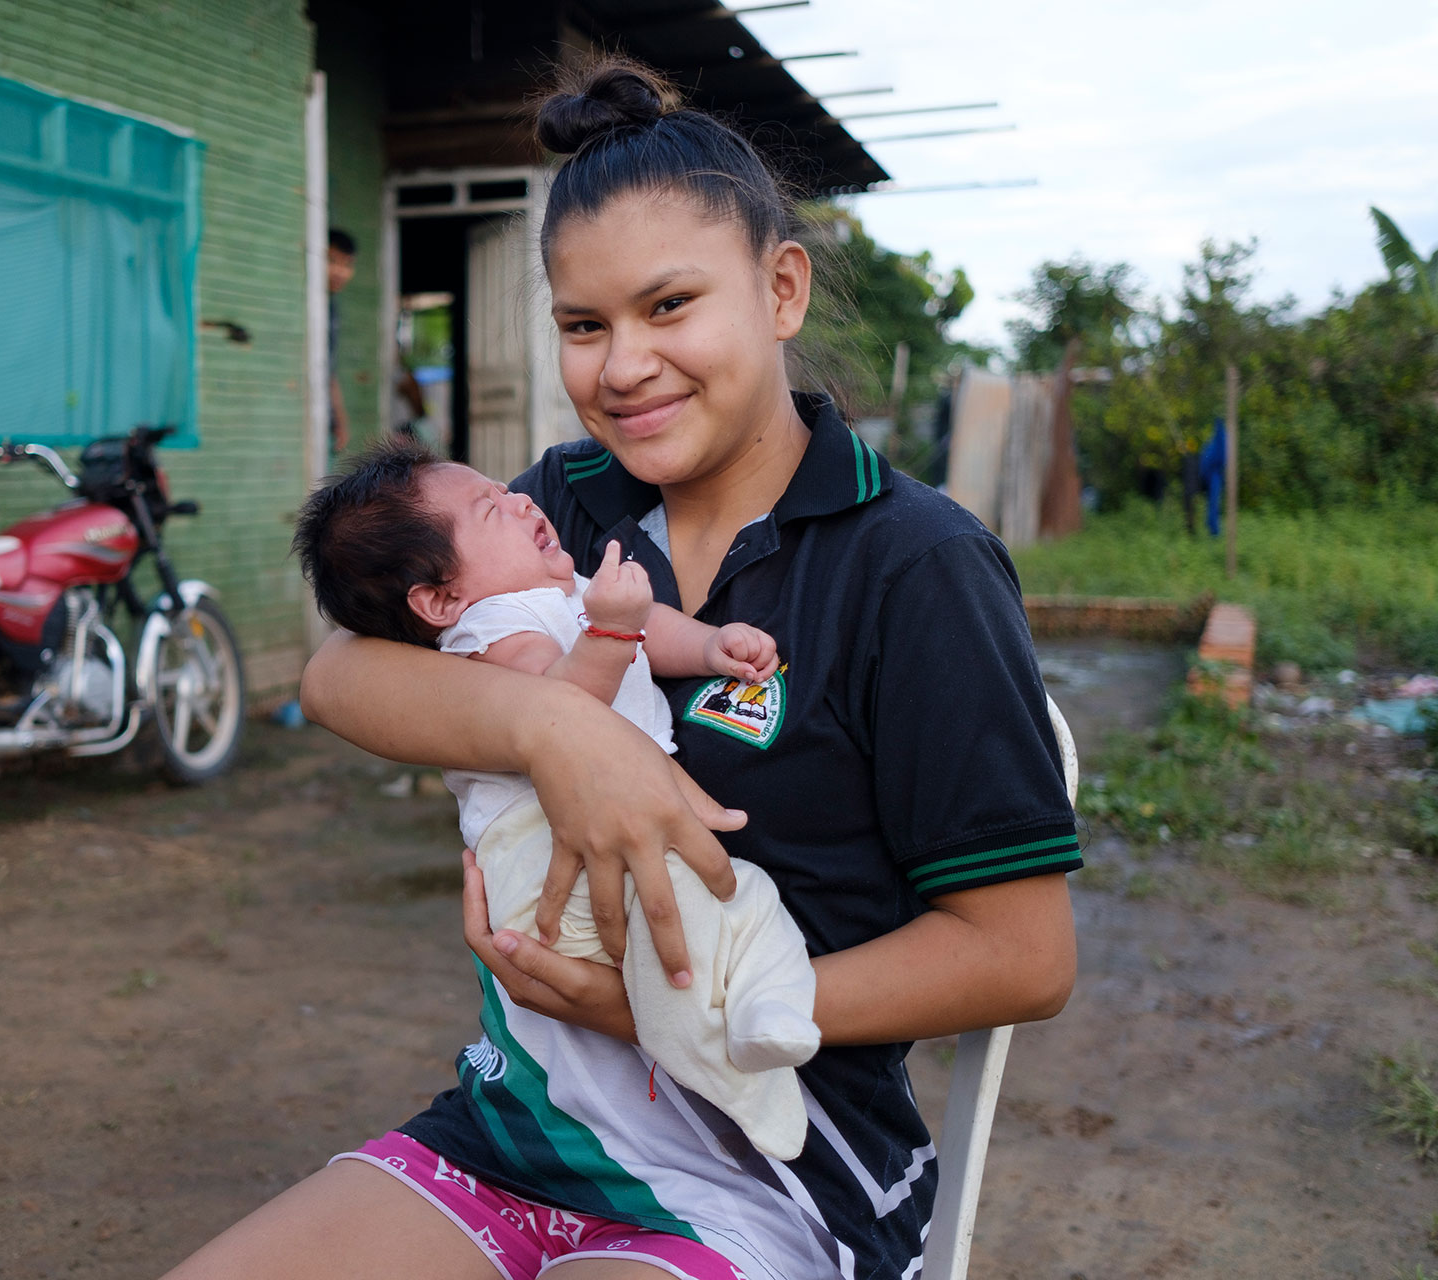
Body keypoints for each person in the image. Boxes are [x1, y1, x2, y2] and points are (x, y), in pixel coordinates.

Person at [165, 55, 1078, 1280]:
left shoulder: (913, 565)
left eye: (669, 307)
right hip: (519, 1130)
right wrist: (560, 733)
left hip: (772, 1169)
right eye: (585, 326)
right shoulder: (557, 504)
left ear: (782, 289)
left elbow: (1023, 952)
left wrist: (681, 1011)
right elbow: (339, 676)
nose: (624, 365)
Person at [293, 440, 821, 1160]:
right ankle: (734, 1074)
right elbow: (563, 708)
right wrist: (608, 628)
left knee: (742, 903)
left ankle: (766, 1014)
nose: (518, 499)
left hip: (607, 831)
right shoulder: (492, 630)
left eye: (505, 490)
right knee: (690, 935)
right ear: (441, 599)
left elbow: (650, 630)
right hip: (545, 851)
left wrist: (709, 648)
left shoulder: (557, 589)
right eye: (490, 507)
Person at [328, 228, 357, 456]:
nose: (340, 271)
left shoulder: (331, 308)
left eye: (347, 264)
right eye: (331, 261)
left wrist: (340, 418)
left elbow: (329, 368)